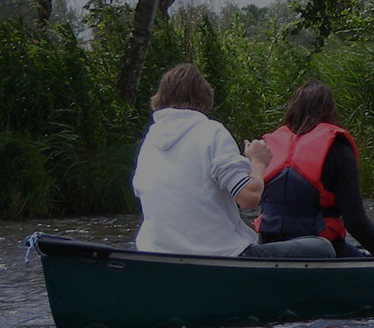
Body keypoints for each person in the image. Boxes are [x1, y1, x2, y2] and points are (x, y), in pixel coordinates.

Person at [131, 63, 334, 259]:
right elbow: (248, 198)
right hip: (220, 256)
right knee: (322, 248)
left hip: (154, 253)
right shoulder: (211, 132)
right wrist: (258, 162)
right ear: (204, 99)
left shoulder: (149, 142)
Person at [253, 80, 374, 257]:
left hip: (269, 246)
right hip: (321, 249)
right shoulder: (338, 149)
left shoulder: (265, 149)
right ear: (330, 112)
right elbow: (355, 221)